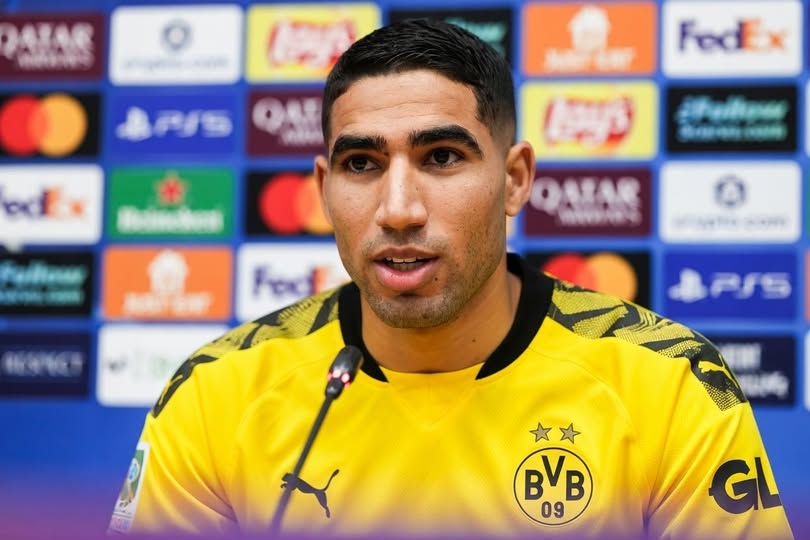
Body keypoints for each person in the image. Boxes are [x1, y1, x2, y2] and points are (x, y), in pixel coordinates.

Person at [109, 19, 793, 540]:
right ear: (323, 190)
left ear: (514, 178)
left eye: (440, 157)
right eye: (361, 165)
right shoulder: (217, 393)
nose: (398, 209)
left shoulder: (667, 383)